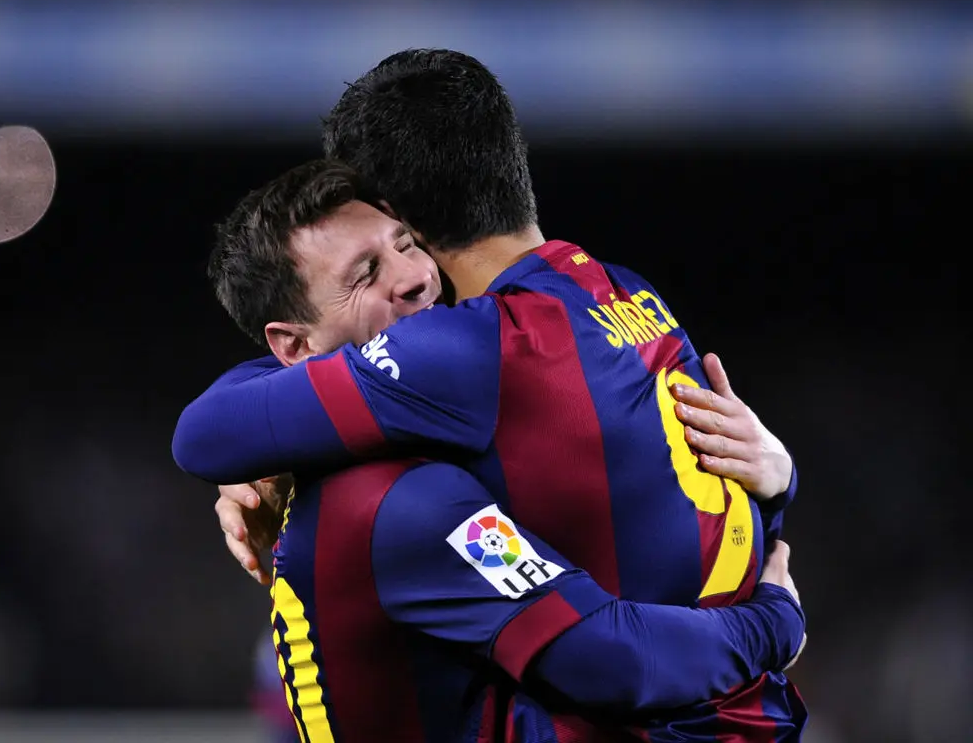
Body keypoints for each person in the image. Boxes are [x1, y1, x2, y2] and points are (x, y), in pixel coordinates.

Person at [174, 50, 807, 739]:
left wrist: (775, 620)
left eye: (403, 243)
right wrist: (779, 485)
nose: (411, 278)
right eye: (365, 272)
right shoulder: (624, 292)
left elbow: (206, 434)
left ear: (402, 210)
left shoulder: (458, 367)